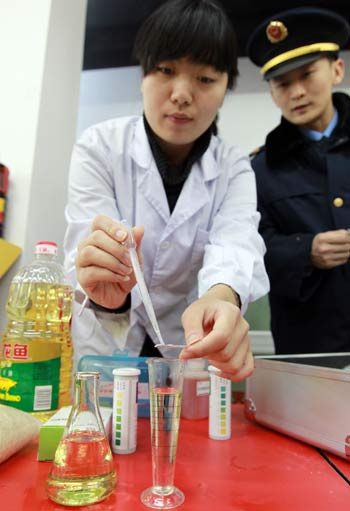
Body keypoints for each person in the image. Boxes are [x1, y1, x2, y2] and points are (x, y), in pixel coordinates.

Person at [64, 0, 269, 380]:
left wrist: (220, 298)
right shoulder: (99, 148)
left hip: (188, 349)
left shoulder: (234, 166)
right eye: (165, 70)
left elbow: (236, 243)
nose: (181, 94)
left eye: (205, 79)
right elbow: (84, 241)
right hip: (106, 345)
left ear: (226, 89)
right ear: (143, 75)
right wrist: (104, 288)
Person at [247, 7, 350, 354]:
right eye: (283, 83)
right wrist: (305, 251)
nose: (297, 92)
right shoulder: (261, 169)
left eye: (307, 75)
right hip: (309, 346)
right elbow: (251, 248)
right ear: (272, 92)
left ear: (337, 69)